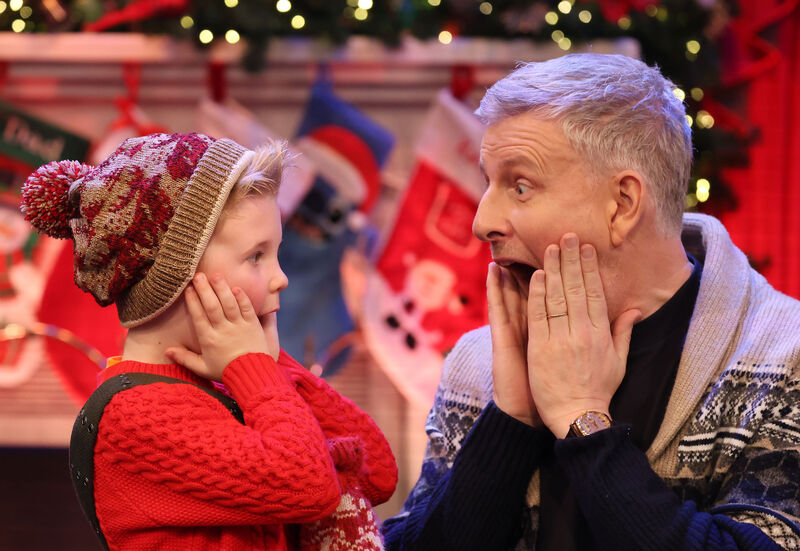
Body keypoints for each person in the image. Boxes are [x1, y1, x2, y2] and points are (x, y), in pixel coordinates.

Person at [382, 54, 800, 550]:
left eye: (520, 185)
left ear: (622, 204)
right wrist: (510, 420)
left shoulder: (785, 357)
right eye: (487, 182)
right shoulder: (478, 362)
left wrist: (585, 423)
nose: (482, 221)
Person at [21, 132, 398, 551]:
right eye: (256, 256)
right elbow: (309, 486)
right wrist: (257, 370)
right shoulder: (133, 418)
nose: (280, 277)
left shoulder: (228, 378)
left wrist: (269, 366)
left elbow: (377, 472)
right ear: (177, 275)